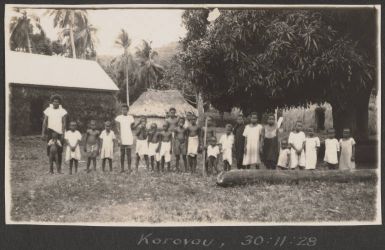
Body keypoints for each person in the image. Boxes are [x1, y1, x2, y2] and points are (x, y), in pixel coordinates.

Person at [41, 94, 67, 174]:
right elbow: (45, 122)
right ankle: (51, 170)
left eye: (57, 102)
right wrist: (43, 133)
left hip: (59, 132)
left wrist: (63, 134)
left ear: (59, 103)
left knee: (59, 151)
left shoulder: (62, 111)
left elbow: (64, 123)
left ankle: (59, 170)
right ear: (52, 102)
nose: (55, 103)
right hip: (50, 132)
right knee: (50, 150)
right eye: (54, 102)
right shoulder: (48, 110)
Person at [115, 104, 141, 173]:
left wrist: (139, 123)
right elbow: (118, 129)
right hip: (122, 137)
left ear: (128, 110)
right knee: (122, 153)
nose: (124, 111)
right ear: (121, 110)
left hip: (129, 137)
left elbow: (133, 128)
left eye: (125, 110)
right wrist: (119, 139)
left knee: (129, 154)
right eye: (123, 109)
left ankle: (129, 168)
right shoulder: (118, 118)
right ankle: (122, 168)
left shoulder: (130, 117)